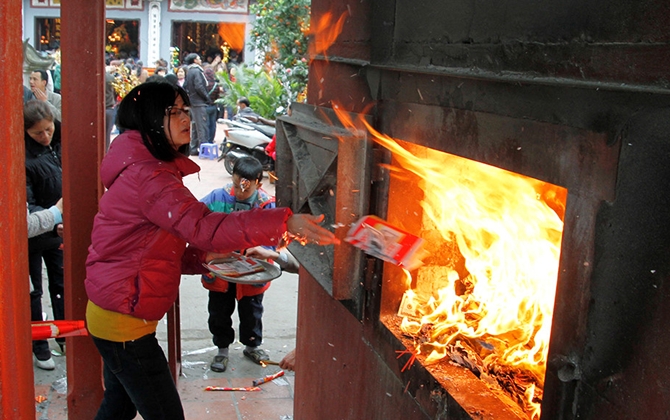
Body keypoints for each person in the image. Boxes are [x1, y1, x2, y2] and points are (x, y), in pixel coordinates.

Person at [84, 81, 338, 420]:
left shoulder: (144, 168)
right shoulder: (150, 177)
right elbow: (205, 228)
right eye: (174, 112)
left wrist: (201, 258)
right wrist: (284, 223)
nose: (187, 118)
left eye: (187, 110)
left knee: (118, 405)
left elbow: (147, 247)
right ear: (148, 119)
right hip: (123, 322)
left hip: (114, 313)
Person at [199, 157, 294, 372]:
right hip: (220, 272)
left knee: (252, 312)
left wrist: (267, 251)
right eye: (236, 185)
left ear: (259, 184)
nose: (240, 192)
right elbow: (195, 221)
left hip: (254, 274)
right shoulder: (217, 197)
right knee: (219, 312)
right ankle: (222, 349)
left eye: (246, 188)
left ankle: (252, 345)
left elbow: (280, 238)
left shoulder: (267, 204)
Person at [24, 100, 65, 370]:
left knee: (61, 284)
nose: (45, 136)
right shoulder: (21, 156)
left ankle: (63, 336)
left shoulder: (60, 143)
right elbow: (25, 208)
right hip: (35, 231)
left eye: (48, 129)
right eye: (38, 133)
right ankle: (39, 345)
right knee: (34, 292)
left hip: (58, 229)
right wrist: (54, 216)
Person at [183, 53, 210, 156]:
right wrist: (206, 97)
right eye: (198, 58)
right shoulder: (197, 71)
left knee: (195, 126)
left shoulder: (189, 71)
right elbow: (199, 86)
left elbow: (186, 86)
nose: (200, 60)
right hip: (199, 102)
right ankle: (204, 150)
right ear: (195, 60)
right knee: (202, 127)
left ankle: (193, 148)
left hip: (193, 102)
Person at [203, 65, 222, 144]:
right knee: (213, 124)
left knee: (206, 124)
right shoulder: (216, 85)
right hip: (213, 106)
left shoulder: (204, 84)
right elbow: (218, 96)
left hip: (205, 106)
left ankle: (206, 140)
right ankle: (211, 140)